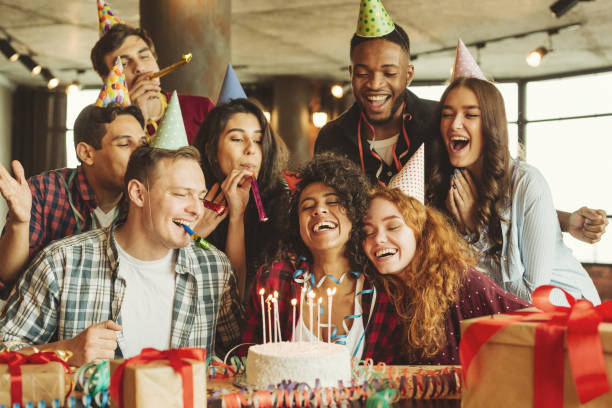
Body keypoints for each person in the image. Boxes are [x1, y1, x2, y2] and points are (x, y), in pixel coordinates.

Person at [314, 23, 607, 244]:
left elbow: (496, 192)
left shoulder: (440, 121)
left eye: (389, 73)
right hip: (367, 276)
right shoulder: (331, 140)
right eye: (363, 73)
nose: (375, 84)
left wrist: (566, 221)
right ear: (351, 72)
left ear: (409, 74)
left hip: (440, 272)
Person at [0, 146, 242, 365]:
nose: (197, 209)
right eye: (180, 194)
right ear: (137, 193)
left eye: (200, 196)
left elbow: (237, 355)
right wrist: (65, 351)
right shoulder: (61, 263)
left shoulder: (214, 268)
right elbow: (4, 351)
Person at [427, 77, 601, 304]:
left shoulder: (528, 184)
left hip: (572, 315)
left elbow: (531, 298)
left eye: (470, 115)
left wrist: (476, 233)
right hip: (506, 322)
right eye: (447, 114)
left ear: (491, 124)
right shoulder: (450, 187)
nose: (454, 124)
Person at [242, 153, 400, 362]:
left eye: (333, 202)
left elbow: (396, 375)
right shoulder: (273, 281)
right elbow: (247, 361)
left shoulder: (382, 289)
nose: (319, 210)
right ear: (297, 225)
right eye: (307, 206)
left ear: (355, 214)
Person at [362, 187, 529, 364]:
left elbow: (535, 325)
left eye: (393, 226)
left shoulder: (462, 283)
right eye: (367, 232)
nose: (378, 238)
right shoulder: (374, 292)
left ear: (420, 231)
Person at [0, 104, 146, 291]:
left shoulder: (145, 198)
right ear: (86, 153)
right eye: (125, 144)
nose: (140, 154)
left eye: (142, 145)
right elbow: (8, 277)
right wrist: (19, 223)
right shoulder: (44, 190)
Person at [193, 98, 288, 299]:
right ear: (212, 150)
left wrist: (237, 215)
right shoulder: (191, 197)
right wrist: (195, 235)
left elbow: (238, 295)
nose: (251, 149)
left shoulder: (281, 202)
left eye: (259, 141)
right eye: (237, 139)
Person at [91, 24, 214, 144]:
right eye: (123, 63)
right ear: (106, 80)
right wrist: (137, 119)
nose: (139, 67)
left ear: (155, 59)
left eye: (144, 56)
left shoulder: (202, 109)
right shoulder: (104, 129)